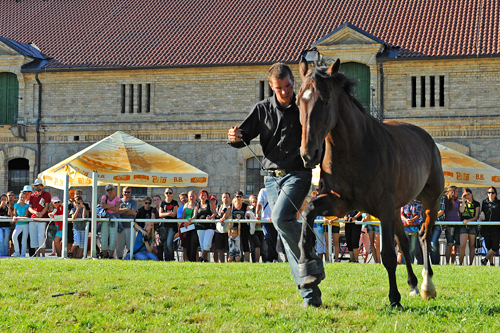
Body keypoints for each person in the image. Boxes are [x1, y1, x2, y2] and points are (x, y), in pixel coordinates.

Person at [228, 62, 324, 307]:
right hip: (270, 178)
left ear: (293, 82)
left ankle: (310, 256)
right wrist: (234, 138)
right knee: (285, 230)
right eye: (280, 88)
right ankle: (310, 296)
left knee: (281, 219)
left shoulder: (303, 106)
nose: (285, 91)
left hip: (298, 174)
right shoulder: (261, 110)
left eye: (289, 86)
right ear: (271, 86)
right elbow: (242, 137)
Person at [28, 179, 51, 257]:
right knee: (34, 238)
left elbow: (47, 206)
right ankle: (37, 255)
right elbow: (29, 208)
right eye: (36, 185)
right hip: (33, 219)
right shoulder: (32, 196)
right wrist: (35, 213)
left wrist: (41, 214)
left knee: (41, 237)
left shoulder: (47, 194)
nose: (37, 187)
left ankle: (43, 255)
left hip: (42, 219)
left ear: (42, 186)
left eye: (39, 185)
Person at [457, 188, 480, 265]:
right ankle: (460, 263)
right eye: (465, 194)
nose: (467, 196)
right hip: (463, 225)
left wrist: (469, 221)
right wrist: (463, 200)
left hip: (472, 225)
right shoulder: (462, 203)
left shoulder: (476, 204)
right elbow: (461, 210)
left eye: (468, 194)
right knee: (462, 245)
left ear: (471, 194)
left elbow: (476, 216)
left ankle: (471, 263)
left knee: (472, 245)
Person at [256, 187, 278, 263]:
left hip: (275, 219)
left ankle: (273, 257)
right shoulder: (263, 191)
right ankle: (270, 258)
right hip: (265, 219)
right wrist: (257, 213)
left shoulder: (278, 190)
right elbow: (259, 203)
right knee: (267, 237)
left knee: (274, 238)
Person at [480, 187, 500, 266]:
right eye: (489, 192)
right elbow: (482, 211)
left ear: (495, 194)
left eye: (492, 193)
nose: (490, 194)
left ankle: (484, 260)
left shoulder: (498, 203)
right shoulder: (484, 202)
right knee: (489, 246)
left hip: (496, 227)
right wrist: (481, 212)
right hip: (486, 227)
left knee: (495, 247)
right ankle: (491, 263)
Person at [399, 199, 423, 265]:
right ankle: (404, 263)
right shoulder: (403, 202)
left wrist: (412, 220)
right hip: (405, 227)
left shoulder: (418, 203)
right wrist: (406, 220)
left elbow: (418, 214)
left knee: (413, 247)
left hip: (414, 227)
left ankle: (411, 262)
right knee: (405, 246)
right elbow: (401, 214)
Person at [100, 184, 120, 259]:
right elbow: (102, 205)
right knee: (104, 238)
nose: (109, 191)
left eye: (111, 189)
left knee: (113, 238)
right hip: (105, 218)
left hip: (114, 219)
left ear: (114, 190)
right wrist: (112, 206)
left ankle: (111, 256)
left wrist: (107, 205)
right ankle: (105, 255)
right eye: (108, 190)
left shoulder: (117, 198)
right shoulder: (104, 197)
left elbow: (116, 209)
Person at [157, 189, 179, 261]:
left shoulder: (174, 202)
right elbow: (160, 214)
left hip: (172, 226)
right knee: (165, 243)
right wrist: (169, 213)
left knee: (169, 242)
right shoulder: (162, 203)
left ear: (172, 193)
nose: (168, 194)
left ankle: (171, 258)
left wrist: (166, 214)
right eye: (167, 193)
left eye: (170, 193)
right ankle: (167, 259)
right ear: (164, 193)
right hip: (164, 225)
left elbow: (174, 214)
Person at [116, 186, 138, 259]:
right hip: (120, 227)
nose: (126, 193)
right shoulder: (119, 201)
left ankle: (130, 258)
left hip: (130, 227)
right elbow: (117, 211)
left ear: (130, 193)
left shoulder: (133, 202)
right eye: (125, 192)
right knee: (119, 246)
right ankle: (119, 259)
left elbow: (132, 212)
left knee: (131, 246)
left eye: (128, 192)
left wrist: (122, 211)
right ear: (122, 192)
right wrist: (126, 209)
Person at [195, 190, 216, 262]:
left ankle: (201, 258)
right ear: (199, 196)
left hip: (209, 226)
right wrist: (190, 219)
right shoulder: (197, 205)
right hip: (200, 226)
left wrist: (210, 217)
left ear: (207, 197)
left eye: (205, 195)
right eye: (201, 195)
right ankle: (205, 260)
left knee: (207, 244)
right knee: (202, 245)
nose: (203, 196)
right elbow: (195, 216)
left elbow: (215, 212)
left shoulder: (210, 203)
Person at [231, 191, 251, 262]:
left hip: (244, 227)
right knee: (235, 244)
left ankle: (247, 260)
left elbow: (250, 216)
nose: (238, 198)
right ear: (234, 197)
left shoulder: (246, 206)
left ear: (242, 197)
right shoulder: (232, 206)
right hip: (235, 229)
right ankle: (236, 259)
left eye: (240, 196)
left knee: (245, 243)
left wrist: (248, 216)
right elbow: (229, 216)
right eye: (237, 196)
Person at [180, 190, 199, 262]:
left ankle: (193, 260)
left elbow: (194, 215)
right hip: (185, 227)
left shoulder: (197, 205)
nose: (191, 197)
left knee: (193, 244)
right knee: (186, 245)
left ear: (195, 196)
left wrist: (189, 222)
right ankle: (186, 260)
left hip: (193, 227)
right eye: (190, 196)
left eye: (193, 196)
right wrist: (183, 223)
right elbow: (183, 216)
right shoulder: (186, 205)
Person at [443, 186, 460, 264]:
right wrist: (446, 225)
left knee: (455, 245)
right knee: (449, 244)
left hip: (457, 223)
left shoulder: (458, 201)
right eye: (456, 191)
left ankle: (453, 262)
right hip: (449, 224)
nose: (458, 193)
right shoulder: (446, 201)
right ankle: (447, 262)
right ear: (452, 192)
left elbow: (460, 211)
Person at [11, 192, 29, 257]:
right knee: (14, 236)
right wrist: (14, 217)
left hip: (25, 224)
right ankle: (17, 251)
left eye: (24, 197)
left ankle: (23, 254)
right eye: (21, 197)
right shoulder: (16, 205)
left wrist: (19, 217)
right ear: (19, 197)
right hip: (18, 224)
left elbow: (26, 215)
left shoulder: (26, 205)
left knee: (24, 240)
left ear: (26, 198)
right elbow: (14, 214)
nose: (22, 198)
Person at [214, 192, 232, 263]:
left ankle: (229, 264)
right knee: (220, 250)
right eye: (224, 197)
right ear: (221, 198)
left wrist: (223, 217)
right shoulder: (219, 207)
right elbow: (215, 215)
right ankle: (221, 264)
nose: (225, 199)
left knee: (228, 250)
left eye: (227, 197)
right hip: (219, 230)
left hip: (228, 231)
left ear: (230, 198)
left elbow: (227, 213)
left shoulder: (231, 207)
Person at [248, 194, 264, 263]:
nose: (255, 203)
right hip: (253, 230)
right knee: (255, 245)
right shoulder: (250, 210)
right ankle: (255, 261)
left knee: (261, 246)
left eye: (256, 202)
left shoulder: (261, 210)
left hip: (260, 230)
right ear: (251, 203)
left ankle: (260, 260)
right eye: (253, 202)